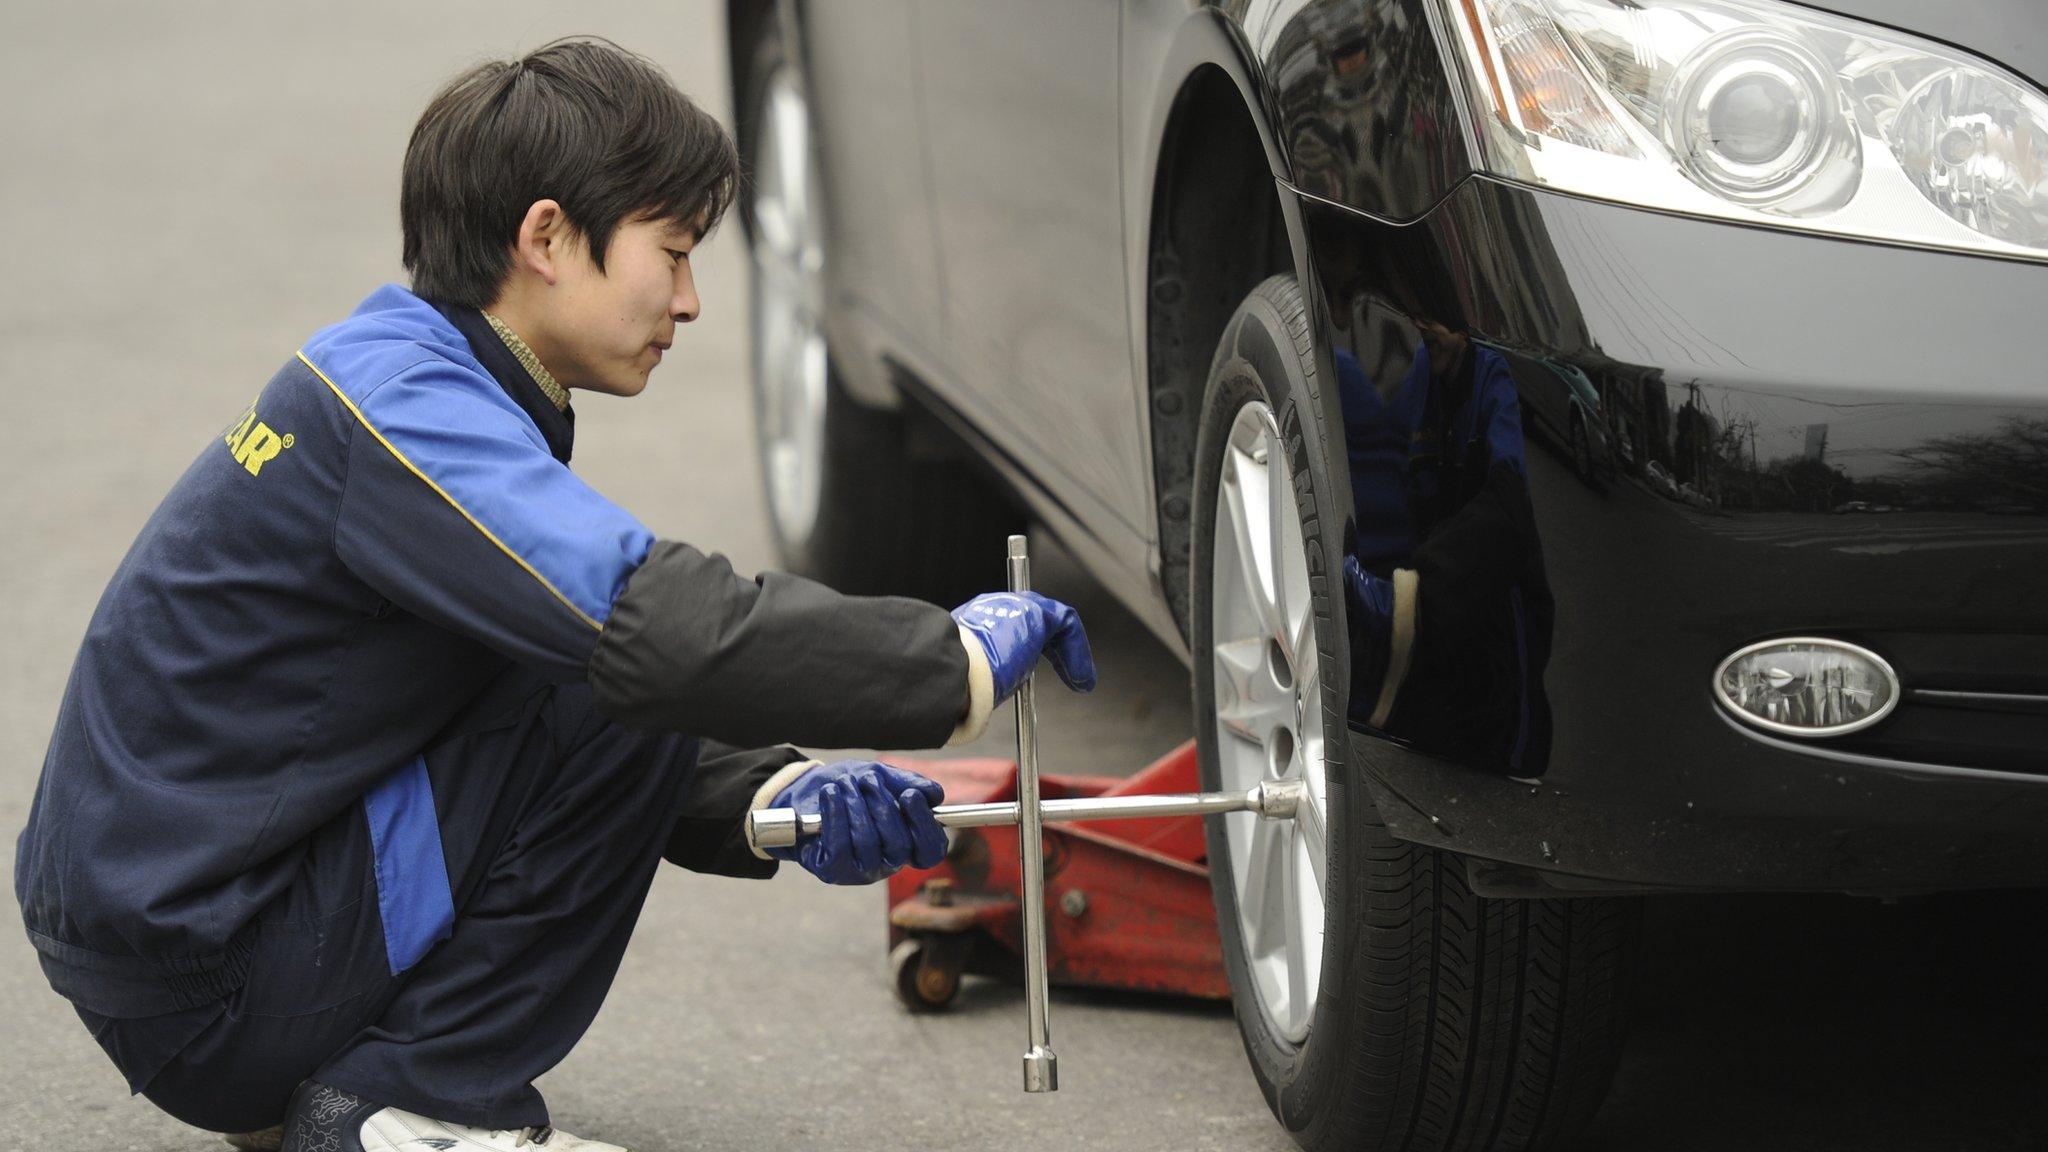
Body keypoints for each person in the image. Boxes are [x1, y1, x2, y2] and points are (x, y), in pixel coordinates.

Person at [12, 37, 1095, 1152]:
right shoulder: (415, 422)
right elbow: (647, 635)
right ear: (545, 238)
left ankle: (340, 1079)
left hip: (183, 940)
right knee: (625, 654)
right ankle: (417, 1102)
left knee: (596, 653)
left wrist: (784, 805)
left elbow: (535, 697)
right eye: (669, 254)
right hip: (216, 973)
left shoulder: (398, 368)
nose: (688, 302)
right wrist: (944, 665)